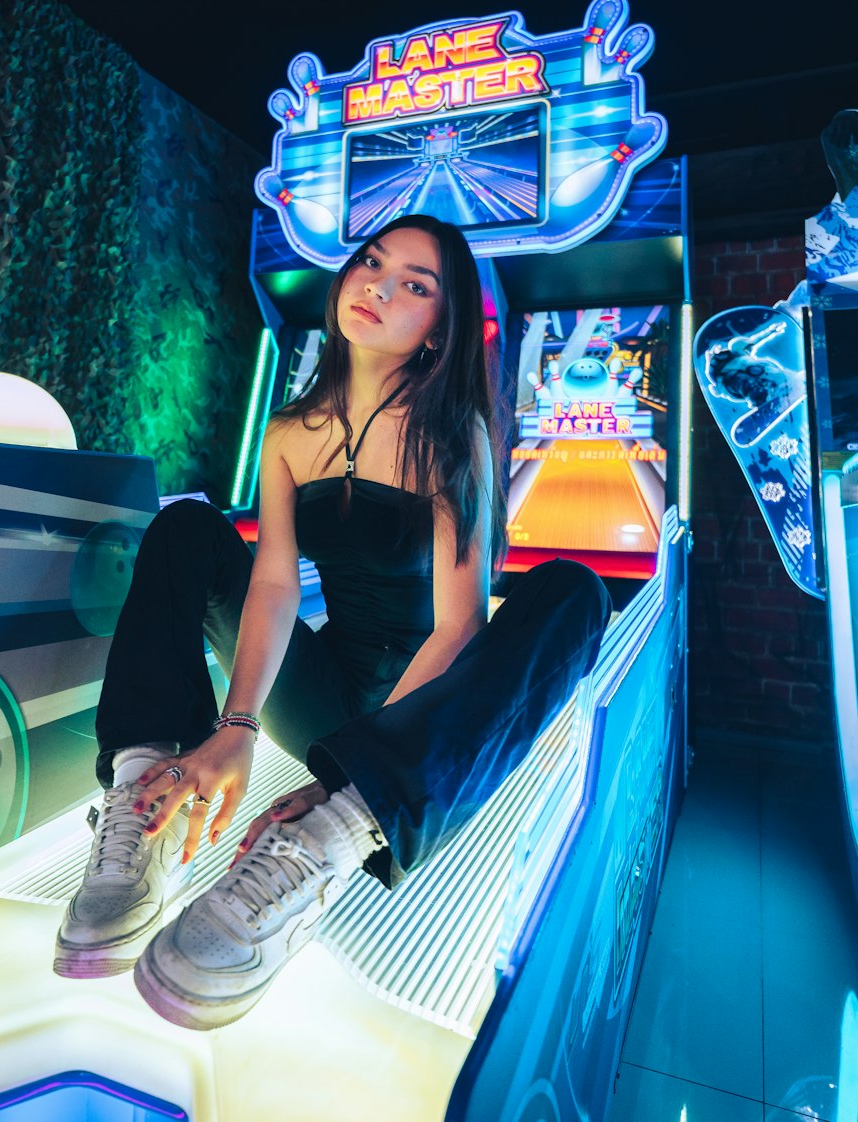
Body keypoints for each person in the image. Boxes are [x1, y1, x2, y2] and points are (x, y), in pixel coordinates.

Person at [54, 214, 611, 1030]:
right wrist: (237, 727)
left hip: (424, 715)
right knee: (188, 528)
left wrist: (348, 774)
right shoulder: (287, 433)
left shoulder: (456, 438)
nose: (378, 287)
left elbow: (454, 630)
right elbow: (274, 587)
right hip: (322, 698)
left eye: (415, 285)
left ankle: (333, 835)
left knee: (574, 587)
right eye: (372, 264)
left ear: (438, 331)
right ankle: (146, 795)